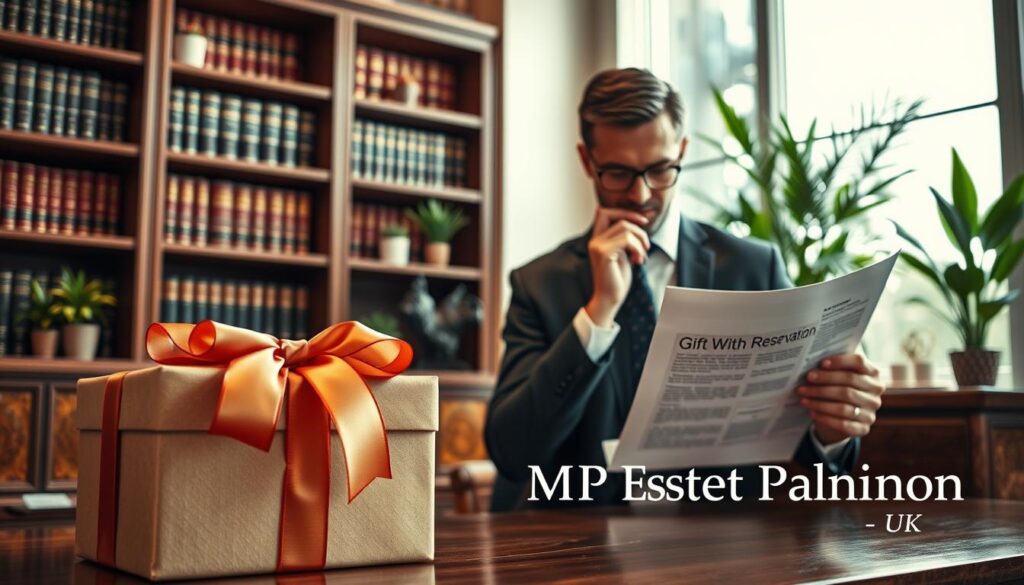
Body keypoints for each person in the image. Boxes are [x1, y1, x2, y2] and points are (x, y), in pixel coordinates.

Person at [485, 68, 886, 511]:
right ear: (587, 162)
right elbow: (512, 452)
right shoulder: (540, 283)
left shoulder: (753, 268)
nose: (640, 195)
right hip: (580, 546)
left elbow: (816, 455)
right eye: (617, 173)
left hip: (718, 538)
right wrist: (598, 313)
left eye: (659, 170)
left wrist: (832, 428)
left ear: (682, 151)